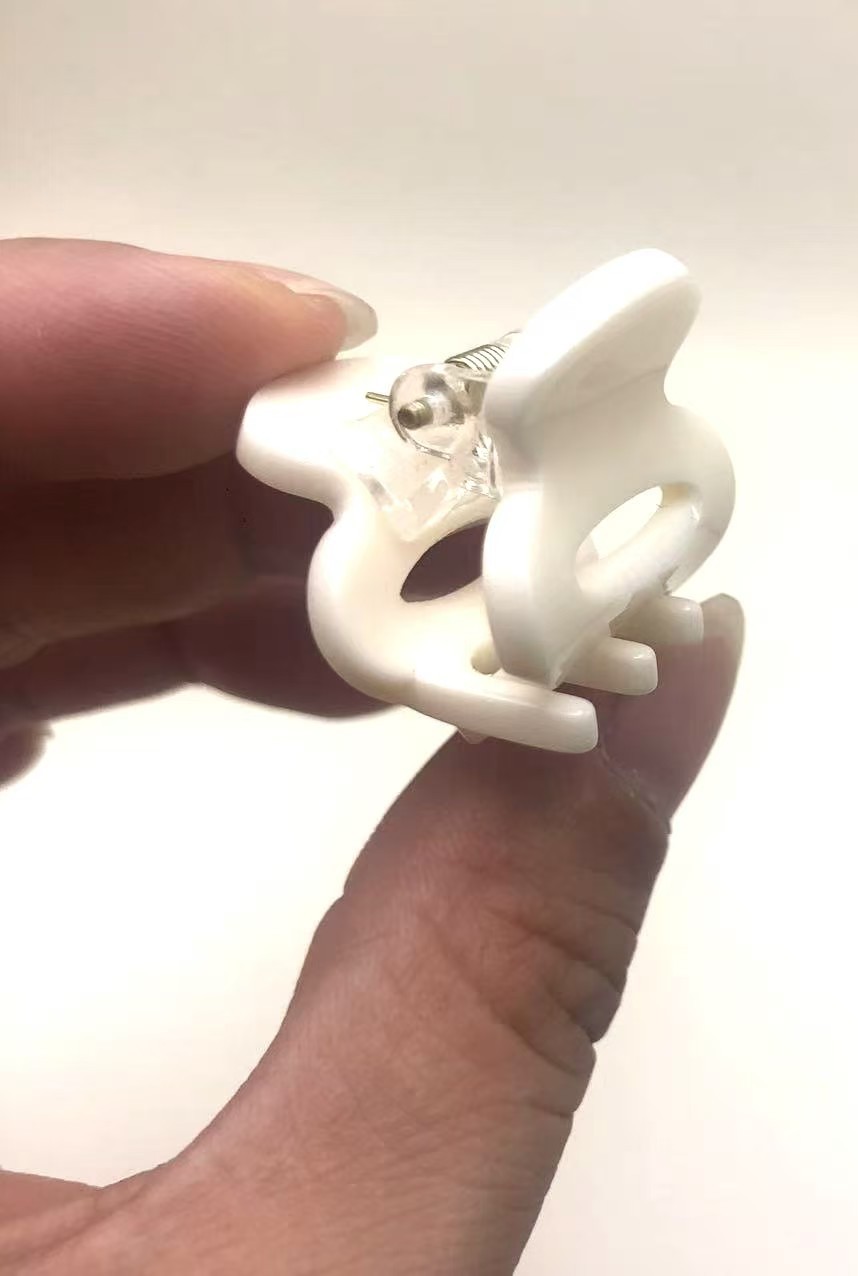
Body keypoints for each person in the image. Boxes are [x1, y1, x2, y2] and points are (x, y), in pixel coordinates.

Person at [0, 238, 743, 1273]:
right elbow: (375, 615)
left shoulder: (547, 473)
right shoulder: (405, 529)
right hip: (521, 553)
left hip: (570, 525)